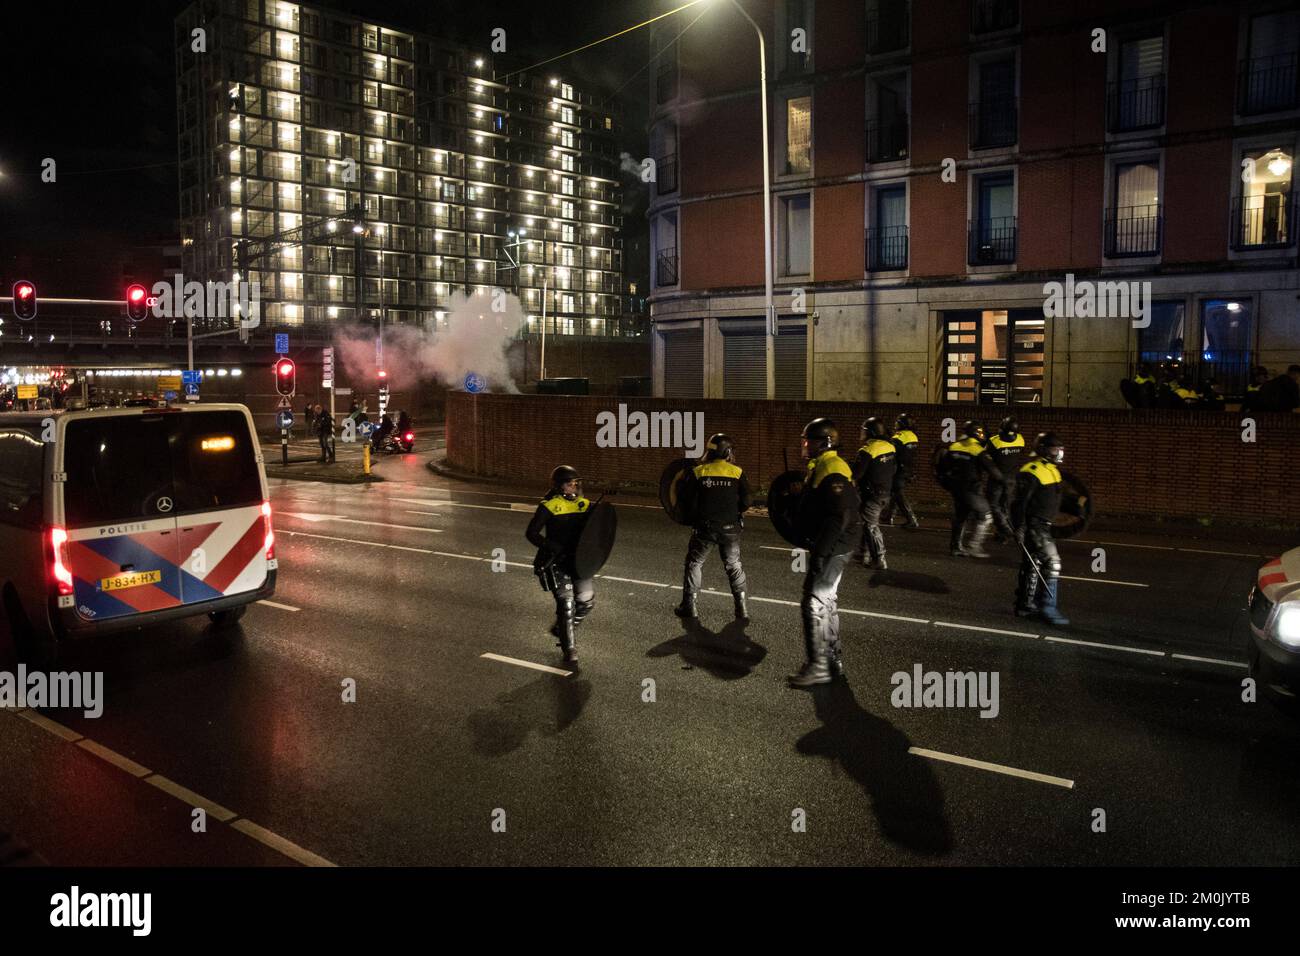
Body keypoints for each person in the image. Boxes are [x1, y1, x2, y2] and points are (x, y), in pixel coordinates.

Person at [788, 418, 862, 688]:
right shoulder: (822, 466)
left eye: (809, 441)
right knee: (827, 602)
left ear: (825, 443)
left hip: (835, 546)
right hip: (837, 544)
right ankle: (832, 660)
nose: (805, 445)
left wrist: (820, 553)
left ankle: (818, 666)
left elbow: (839, 515)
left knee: (813, 602)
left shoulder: (831, 468)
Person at [673, 433, 750, 622]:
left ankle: (689, 607)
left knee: (695, 564)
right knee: (734, 566)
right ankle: (742, 609)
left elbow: (687, 501)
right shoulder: (737, 472)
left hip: (705, 528)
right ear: (728, 452)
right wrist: (734, 510)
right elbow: (747, 501)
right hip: (730, 528)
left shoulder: (699, 472)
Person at [525, 466, 594, 663]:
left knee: (587, 601)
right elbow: (531, 533)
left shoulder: (584, 504)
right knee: (567, 604)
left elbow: (594, 531)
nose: (574, 486)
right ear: (560, 486)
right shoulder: (549, 505)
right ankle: (569, 648)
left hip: (577, 561)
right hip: (556, 562)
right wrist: (551, 546)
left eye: (576, 482)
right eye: (569, 483)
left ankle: (561, 628)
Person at [1012, 433, 1070, 626]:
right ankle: (1047, 608)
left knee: (1033, 565)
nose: (1058, 453)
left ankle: (1025, 605)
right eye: (1055, 449)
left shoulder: (1052, 470)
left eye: (1060, 450)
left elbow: (1054, 499)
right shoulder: (1032, 471)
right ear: (1044, 449)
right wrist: (1019, 526)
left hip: (1044, 525)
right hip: (1034, 525)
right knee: (1052, 563)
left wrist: (1078, 506)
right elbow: (1019, 502)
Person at [936, 420, 1000, 558]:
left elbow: (945, 465)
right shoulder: (977, 449)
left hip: (956, 488)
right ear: (976, 432)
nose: (982, 435)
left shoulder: (954, 446)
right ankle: (974, 546)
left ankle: (955, 547)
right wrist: (1003, 481)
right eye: (981, 432)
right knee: (986, 515)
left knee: (961, 516)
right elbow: (993, 471)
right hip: (971, 489)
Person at [851, 417, 897, 570]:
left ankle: (879, 558)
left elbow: (857, 474)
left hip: (872, 494)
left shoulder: (867, 450)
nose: (861, 433)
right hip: (885, 492)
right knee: (866, 523)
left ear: (870, 432)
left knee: (870, 525)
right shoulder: (889, 446)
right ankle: (864, 554)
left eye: (863, 430)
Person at [986, 416, 1026, 542]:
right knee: (1005, 506)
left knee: (993, 506)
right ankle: (1001, 535)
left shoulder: (994, 441)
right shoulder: (1020, 439)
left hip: (997, 479)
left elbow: (987, 457)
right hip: (1012, 479)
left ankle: (1006, 531)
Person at [881, 413, 920, 530]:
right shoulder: (913, 436)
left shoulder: (898, 437)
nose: (895, 424)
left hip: (898, 469)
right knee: (895, 492)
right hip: (908, 468)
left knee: (898, 494)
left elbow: (892, 451)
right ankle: (889, 516)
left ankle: (911, 519)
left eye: (897, 422)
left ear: (902, 424)